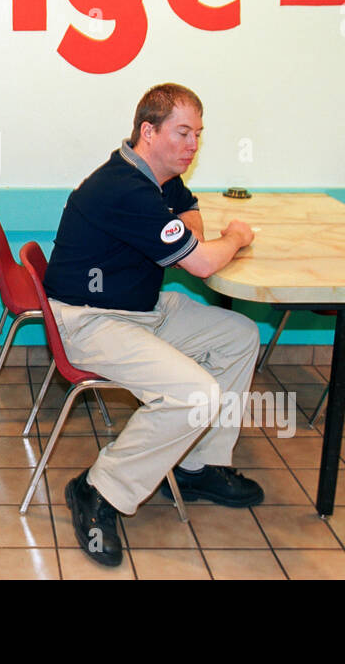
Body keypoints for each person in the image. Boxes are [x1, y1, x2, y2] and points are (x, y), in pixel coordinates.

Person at [42, 82, 262, 567]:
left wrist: (193, 238)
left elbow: (189, 213)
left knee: (241, 335)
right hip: (90, 321)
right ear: (148, 131)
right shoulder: (124, 188)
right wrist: (236, 237)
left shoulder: (160, 175)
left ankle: (197, 466)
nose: (192, 145)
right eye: (182, 133)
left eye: (198, 134)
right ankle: (97, 489)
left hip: (140, 309)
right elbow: (201, 263)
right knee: (196, 394)